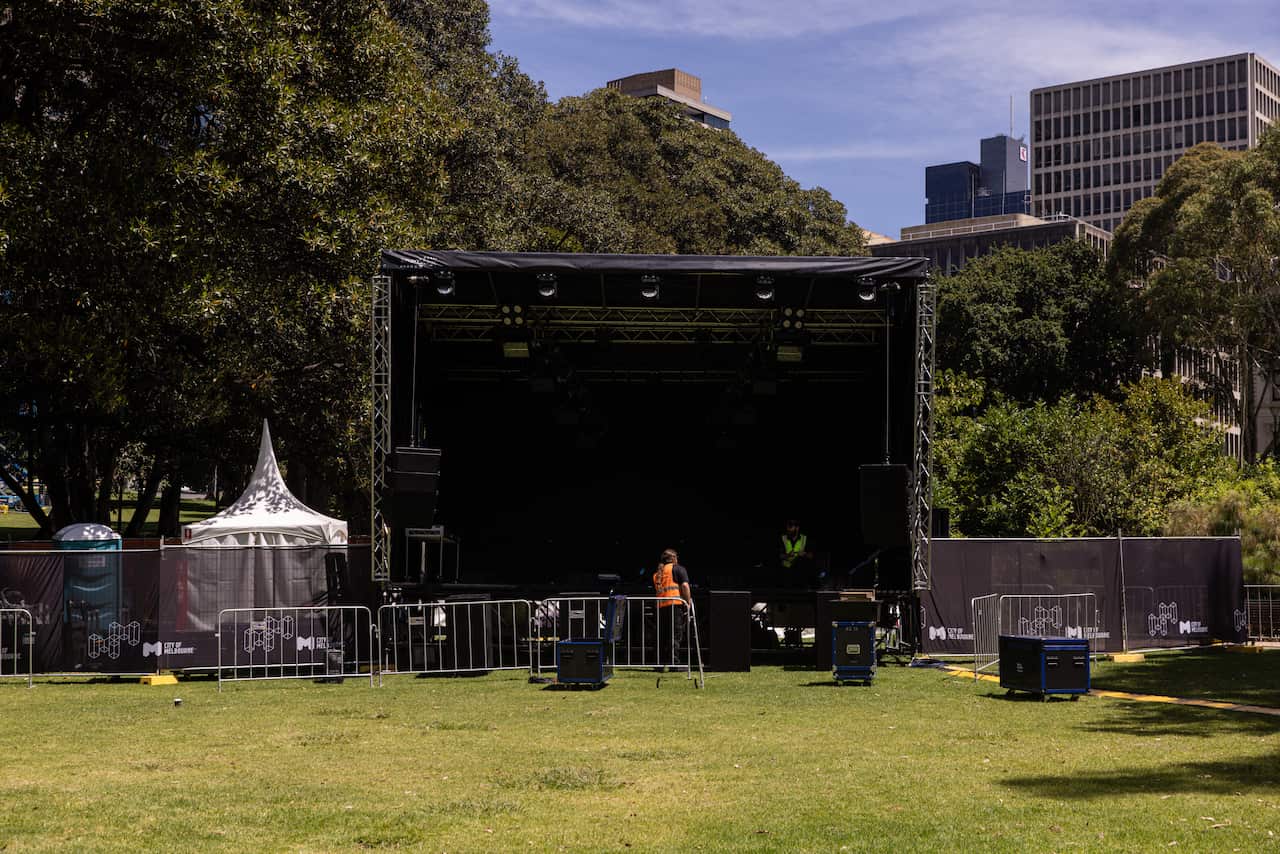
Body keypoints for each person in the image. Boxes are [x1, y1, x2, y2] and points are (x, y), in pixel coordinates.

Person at [652, 548, 692, 668]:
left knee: (661, 637)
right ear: (674, 558)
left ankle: (658, 664)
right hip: (675, 605)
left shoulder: (657, 574)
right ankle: (674, 663)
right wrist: (687, 601)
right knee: (675, 635)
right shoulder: (678, 569)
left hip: (660, 607)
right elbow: (685, 586)